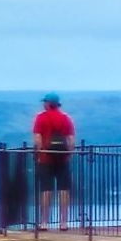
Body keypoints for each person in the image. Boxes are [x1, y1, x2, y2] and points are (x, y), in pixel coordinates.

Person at [32, 93, 76, 229]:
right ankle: (63, 222)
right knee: (64, 189)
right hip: (62, 158)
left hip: (45, 158)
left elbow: (37, 139)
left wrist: (39, 152)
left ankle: (44, 221)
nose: (43, 104)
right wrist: (68, 154)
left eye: (44, 102)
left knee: (46, 190)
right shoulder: (66, 118)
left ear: (48, 103)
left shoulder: (40, 118)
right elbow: (71, 140)